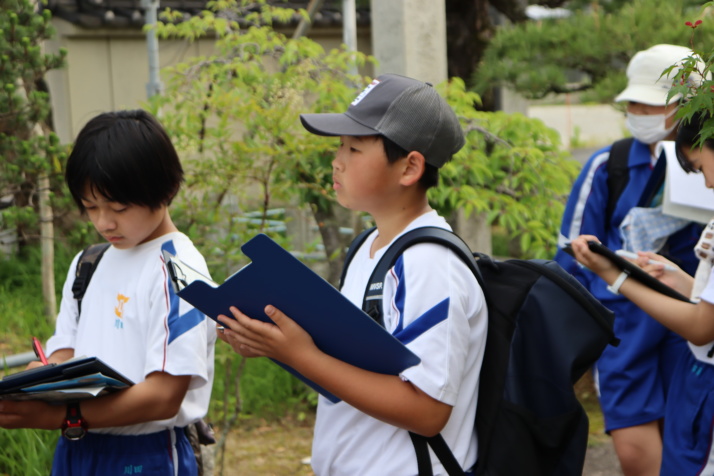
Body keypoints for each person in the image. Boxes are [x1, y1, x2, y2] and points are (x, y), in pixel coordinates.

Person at [217, 73, 488, 475]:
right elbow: (350, 366)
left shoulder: (431, 264)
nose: (337, 160)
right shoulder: (368, 247)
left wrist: (301, 356)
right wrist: (276, 344)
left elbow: (429, 410)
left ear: (410, 167)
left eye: (354, 148)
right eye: (340, 146)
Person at [0, 109, 216, 475]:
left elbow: (163, 398)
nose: (104, 222)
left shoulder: (178, 270)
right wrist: (38, 379)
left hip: (145, 453)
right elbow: (66, 353)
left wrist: (63, 416)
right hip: (77, 447)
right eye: (90, 207)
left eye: (118, 207)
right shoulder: (89, 262)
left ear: (164, 190)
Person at [554, 44, 705, 476]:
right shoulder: (609, 165)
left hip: (693, 328)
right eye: (632, 103)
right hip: (624, 329)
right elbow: (570, 253)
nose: (639, 111)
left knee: (690, 445)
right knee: (636, 455)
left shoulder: (706, 164)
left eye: (652, 104)